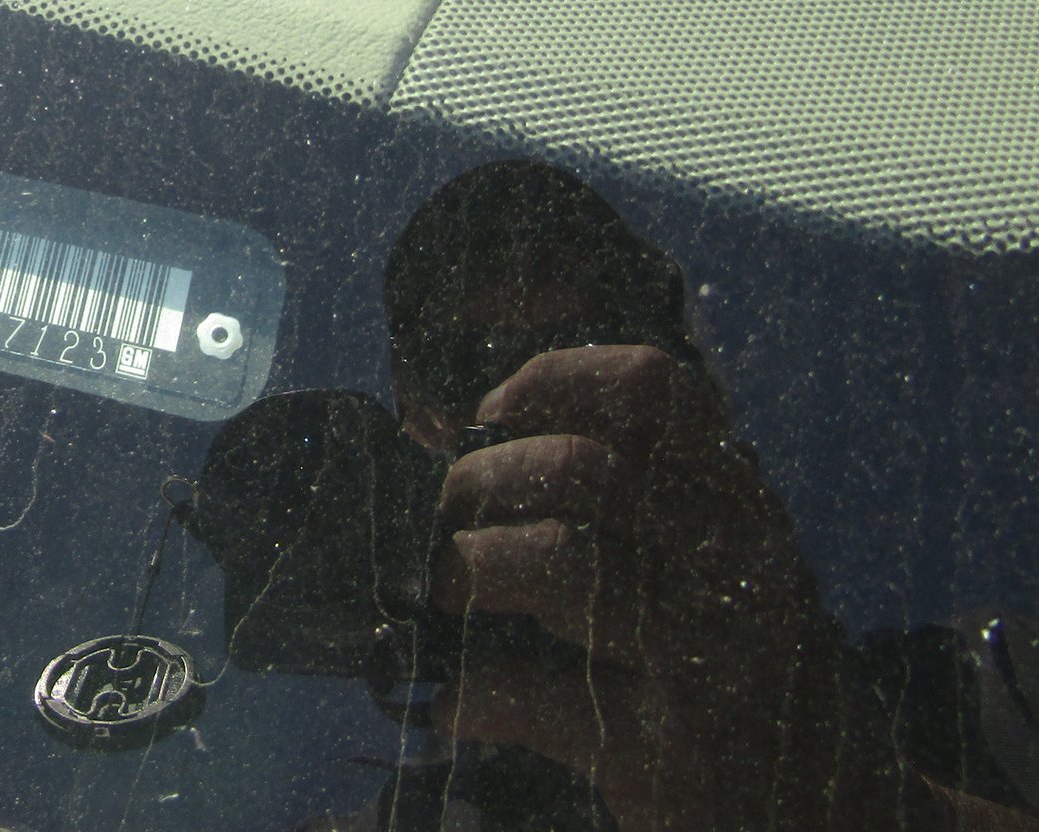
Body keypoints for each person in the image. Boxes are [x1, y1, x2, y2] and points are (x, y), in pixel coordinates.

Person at [381, 161, 1037, 832]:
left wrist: (831, 784)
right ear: (416, 426)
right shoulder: (381, 805)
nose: (531, 416)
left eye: (588, 344)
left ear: (692, 403)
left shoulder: (986, 690)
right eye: (468, 362)